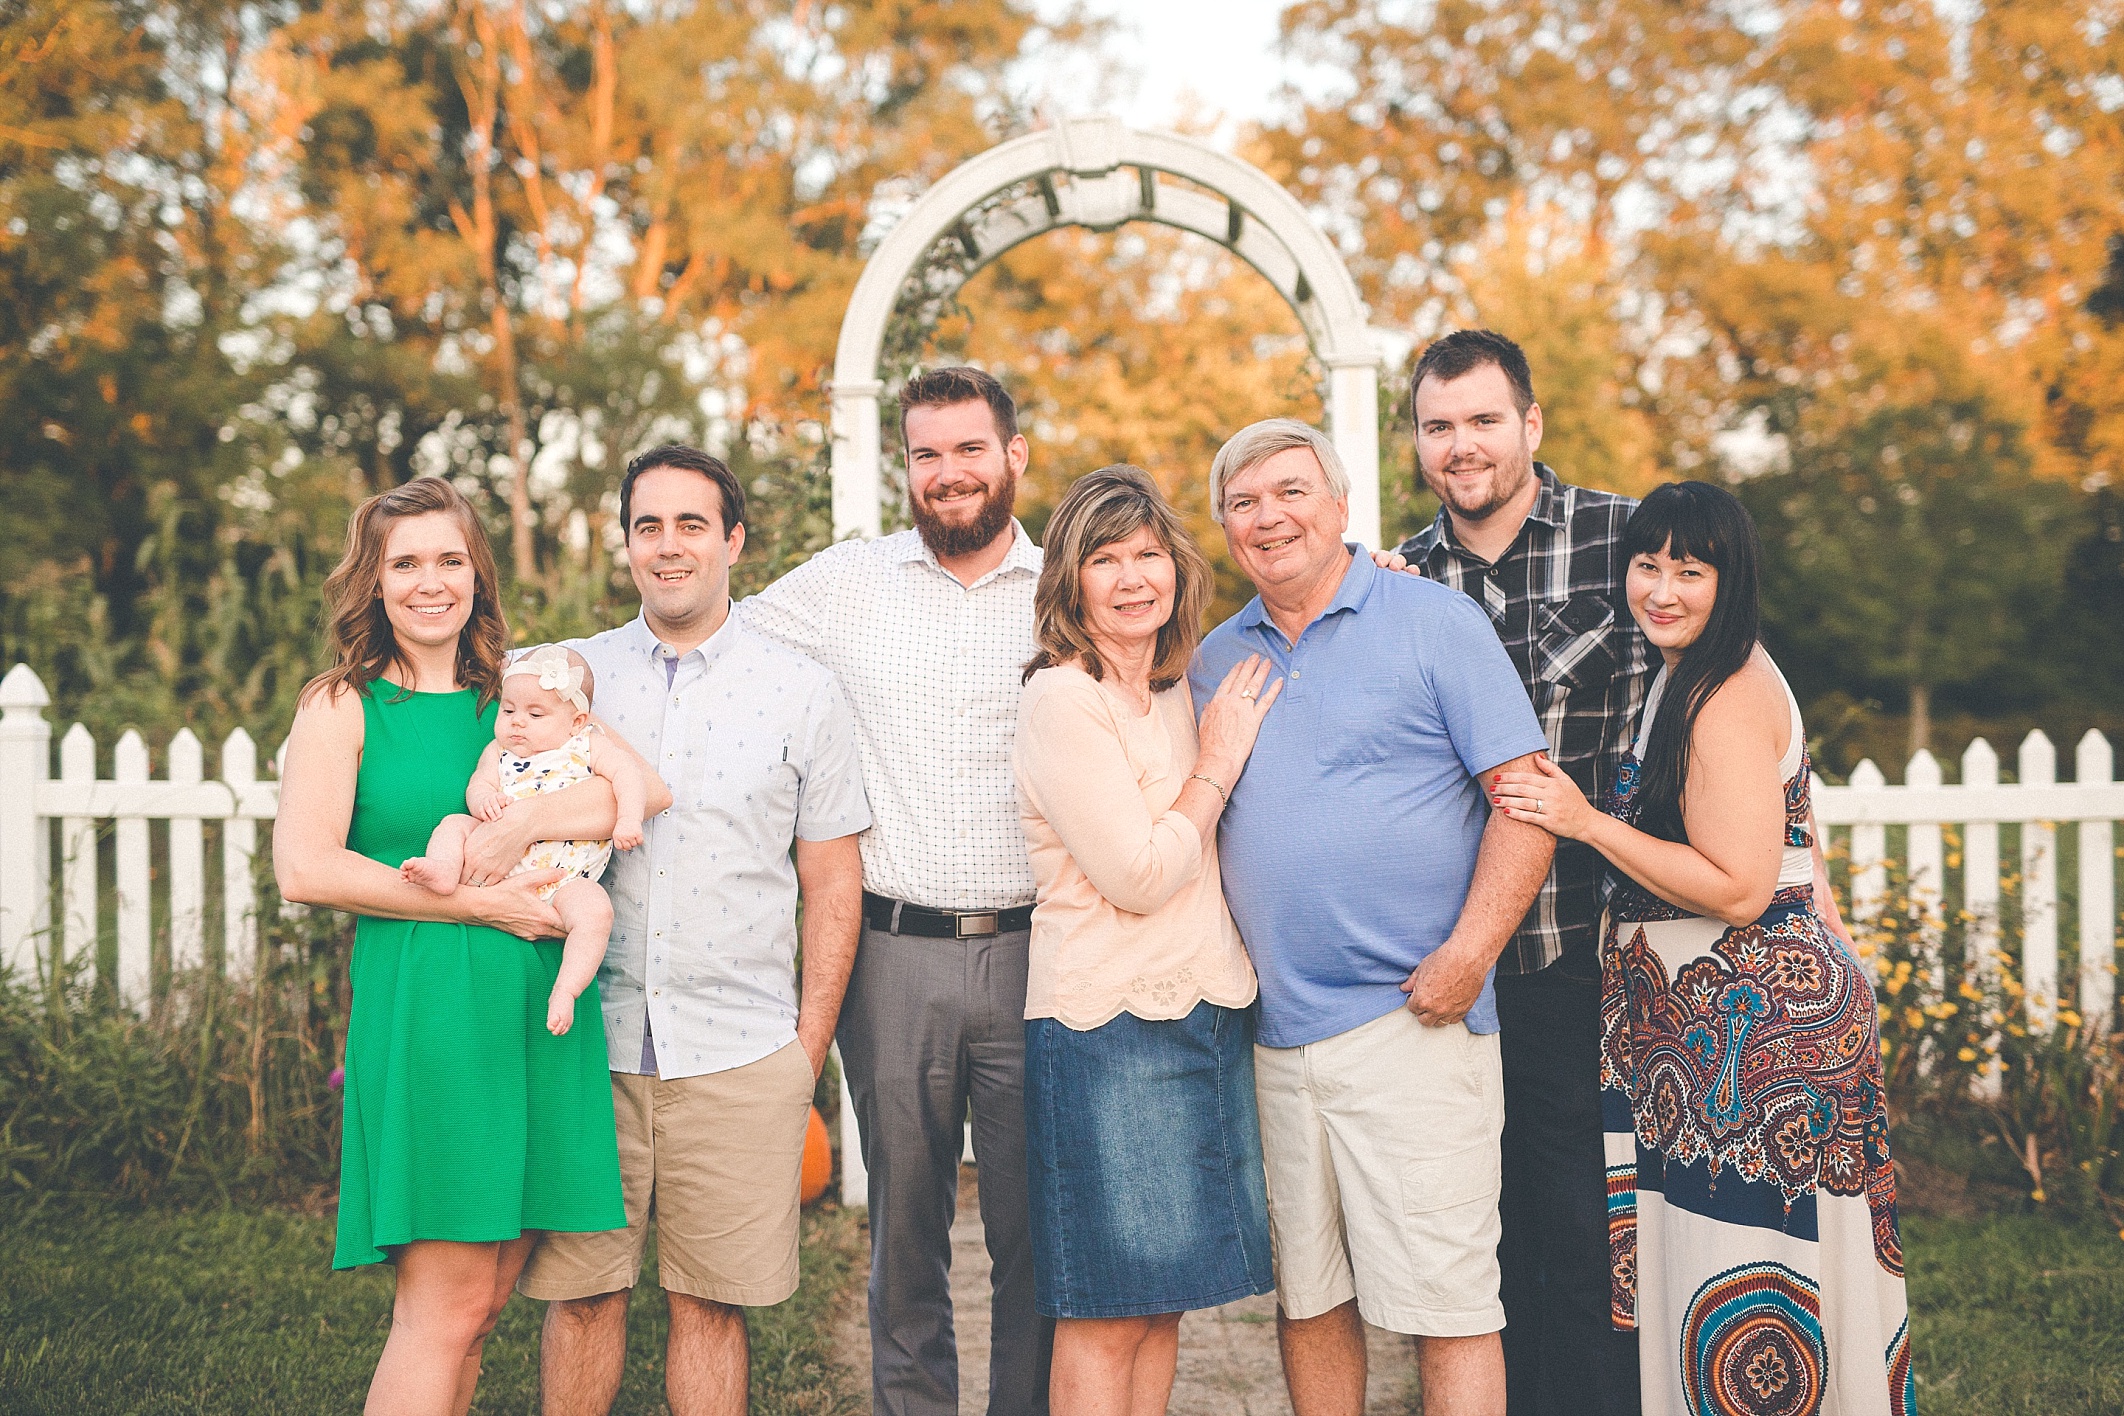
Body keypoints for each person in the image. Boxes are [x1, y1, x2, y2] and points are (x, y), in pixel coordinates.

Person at [1491, 481, 1913, 1416]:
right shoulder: (1694, 672)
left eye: (1691, 570)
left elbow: (1740, 886)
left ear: (1734, 579)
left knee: (1753, 1302)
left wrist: (1585, 822)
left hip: (1752, 1047)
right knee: (1742, 1292)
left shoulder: (1722, 693)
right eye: (1648, 566)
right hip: (1731, 1033)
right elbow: (1800, 847)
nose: (1663, 590)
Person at [1191, 418, 1555, 1416]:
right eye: (1244, 502)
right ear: (1225, 528)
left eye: (1291, 491)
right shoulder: (1217, 658)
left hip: (1415, 1023)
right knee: (1310, 1304)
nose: (1269, 517)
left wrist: (1471, 952)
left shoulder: (1434, 621)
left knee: (1451, 1308)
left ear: (1342, 505)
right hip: (1273, 1039)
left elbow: (1525, 798)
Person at [275, 476, 649, 1416]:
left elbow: (635, 791)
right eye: (405, 563)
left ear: (478, 577)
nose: (429, 582)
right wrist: (479, 909)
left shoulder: (521, 700)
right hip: (431, 1016)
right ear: (373, 581)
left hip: (535, 1023)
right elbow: (306, 870)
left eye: (449, 560)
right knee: (441, 1310)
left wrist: (525, 831)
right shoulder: (343, 705)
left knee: (484, 1307)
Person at [522, 445, 871, 1416]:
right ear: (627, 543)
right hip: (589, 1045)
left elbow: (831, 880)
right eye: (648, 526)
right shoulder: (572, 679)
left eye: (691, 525)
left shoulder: (803, 691)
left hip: (741, 1051)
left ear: (734, 541)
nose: (668, 547)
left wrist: (806, 1049)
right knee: (582, 1297)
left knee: (711, 1308)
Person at [732, 366, 1053, 1416]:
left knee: (1033, 1237)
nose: (948, 473)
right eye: (927, 454)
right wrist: (550, 688)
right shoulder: (847, 583)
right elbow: (714, 645)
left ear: (1013, 456)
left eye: (970, 449)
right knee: (904, 1236)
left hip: (1040, 955)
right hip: (894, 954)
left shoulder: (1070, 585)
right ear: (905, 467)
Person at [1392, 329, 1653, 1416]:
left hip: (1583, 948)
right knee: (1466, 1228)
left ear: (1531, 426)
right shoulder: (1397, 579)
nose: (1463, 447)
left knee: (1580, 1221)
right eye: (1440, 426)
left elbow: (1720, 690)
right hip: (1446, 956)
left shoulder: (1625, 540)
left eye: (1484, 421)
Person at [1013, 466, 1281, 1414]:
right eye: (1105, 558)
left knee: (1164, 1304)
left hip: (1201, 1016)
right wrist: (1217, 764)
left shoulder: (1172, 683)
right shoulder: (1063, 699)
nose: (1133, 578)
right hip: (1107, 1031)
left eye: (1148, 554)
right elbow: (1137, 875)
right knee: (1107, 1311)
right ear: (1069, 581)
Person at [401, 643, 650, 1035]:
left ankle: (566, 990)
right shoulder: (498, 751)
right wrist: (484, 800)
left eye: (535, 714)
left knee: (596, 912)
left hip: (564, 880)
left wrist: (628, 819)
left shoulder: (586, 745)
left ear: (576, 720)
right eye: (509, 710)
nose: (517, 723)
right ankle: (443, 870)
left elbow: (629, 776)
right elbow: (478, 783)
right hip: (497, 866)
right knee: (453, 823)